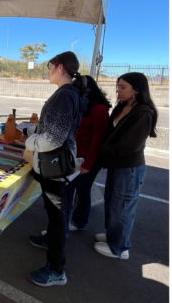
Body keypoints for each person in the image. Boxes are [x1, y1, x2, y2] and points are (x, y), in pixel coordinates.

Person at [24, 51, 88, 287]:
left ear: (61, 68)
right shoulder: (69, 94)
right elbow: (51, 128)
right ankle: (49, 239)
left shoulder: (64, 96)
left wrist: (28, 142)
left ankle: (56, 270)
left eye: (50, 66)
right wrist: (30, 131)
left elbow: (53, 138)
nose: (48, 70)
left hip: (54, 166)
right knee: (54, 213)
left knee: (58, 216)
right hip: (56, 165)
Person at [94, 72, 157, 259]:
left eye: (123, 87)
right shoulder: (122, 107)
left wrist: (102, 151)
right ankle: (113, 236)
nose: (118, 91)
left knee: (123, 207)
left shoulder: (143, 112)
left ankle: (120, 248)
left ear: (136, 90)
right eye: (118, 87)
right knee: (113, 203)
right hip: (115, 165)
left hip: (129, 168)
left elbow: (130, 146)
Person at [64, 75, 111, 234]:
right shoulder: (78, 106)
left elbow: (98, 139)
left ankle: (79, 221)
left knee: (83, 191)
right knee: (68, 190)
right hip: (72, 156)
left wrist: (87, 164)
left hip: (87, 159)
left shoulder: (100, 110)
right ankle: (63, 222)